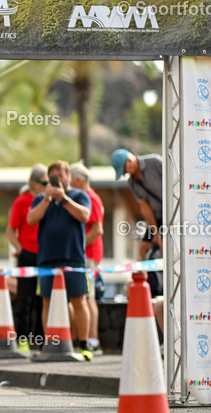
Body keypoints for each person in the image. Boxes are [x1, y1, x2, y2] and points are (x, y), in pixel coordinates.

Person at [27, 160, 92, 357]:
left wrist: (63, 199)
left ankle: (83, 344)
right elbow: (31, 220)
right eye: (54, 176)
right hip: (47, 258)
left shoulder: (79, 195)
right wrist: (47, 199)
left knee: (78, 300)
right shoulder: (40, 198)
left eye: (61, 176)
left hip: (73, 257)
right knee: (47, 301)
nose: (59, 180)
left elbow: (85, 216)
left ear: (68, 177)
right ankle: (51, 343)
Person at [113, 149, 163, 295]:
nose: (126, 173)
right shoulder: (132, 183)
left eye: (124, 170)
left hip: (174, 214)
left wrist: (162, 236)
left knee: (166, 244)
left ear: (130, 160)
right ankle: (147, 281)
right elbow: (145, 208)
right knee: (144, 246)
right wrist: (155, 232)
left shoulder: (154, 162)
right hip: (157, 217)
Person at [7, 165, 48, 347]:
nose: (47, 186)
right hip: (27, 255)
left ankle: (39, 341)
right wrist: (20, 248)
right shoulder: (22, 201)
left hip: (44, 255)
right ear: (33, 183)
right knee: (24, 299)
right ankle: (22, 339)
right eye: (44, 182)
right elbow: (10, 229)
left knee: (41, 300)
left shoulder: (47, 200)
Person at [70, 162, 105, 356]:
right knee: (84, 296)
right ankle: (88, 340)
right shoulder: (89, 197)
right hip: (86, 253)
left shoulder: (91, 198)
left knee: (87, 297)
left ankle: (92, 340)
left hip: (89, 254)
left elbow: (97, 229)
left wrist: (78, 247)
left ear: (78, 180)